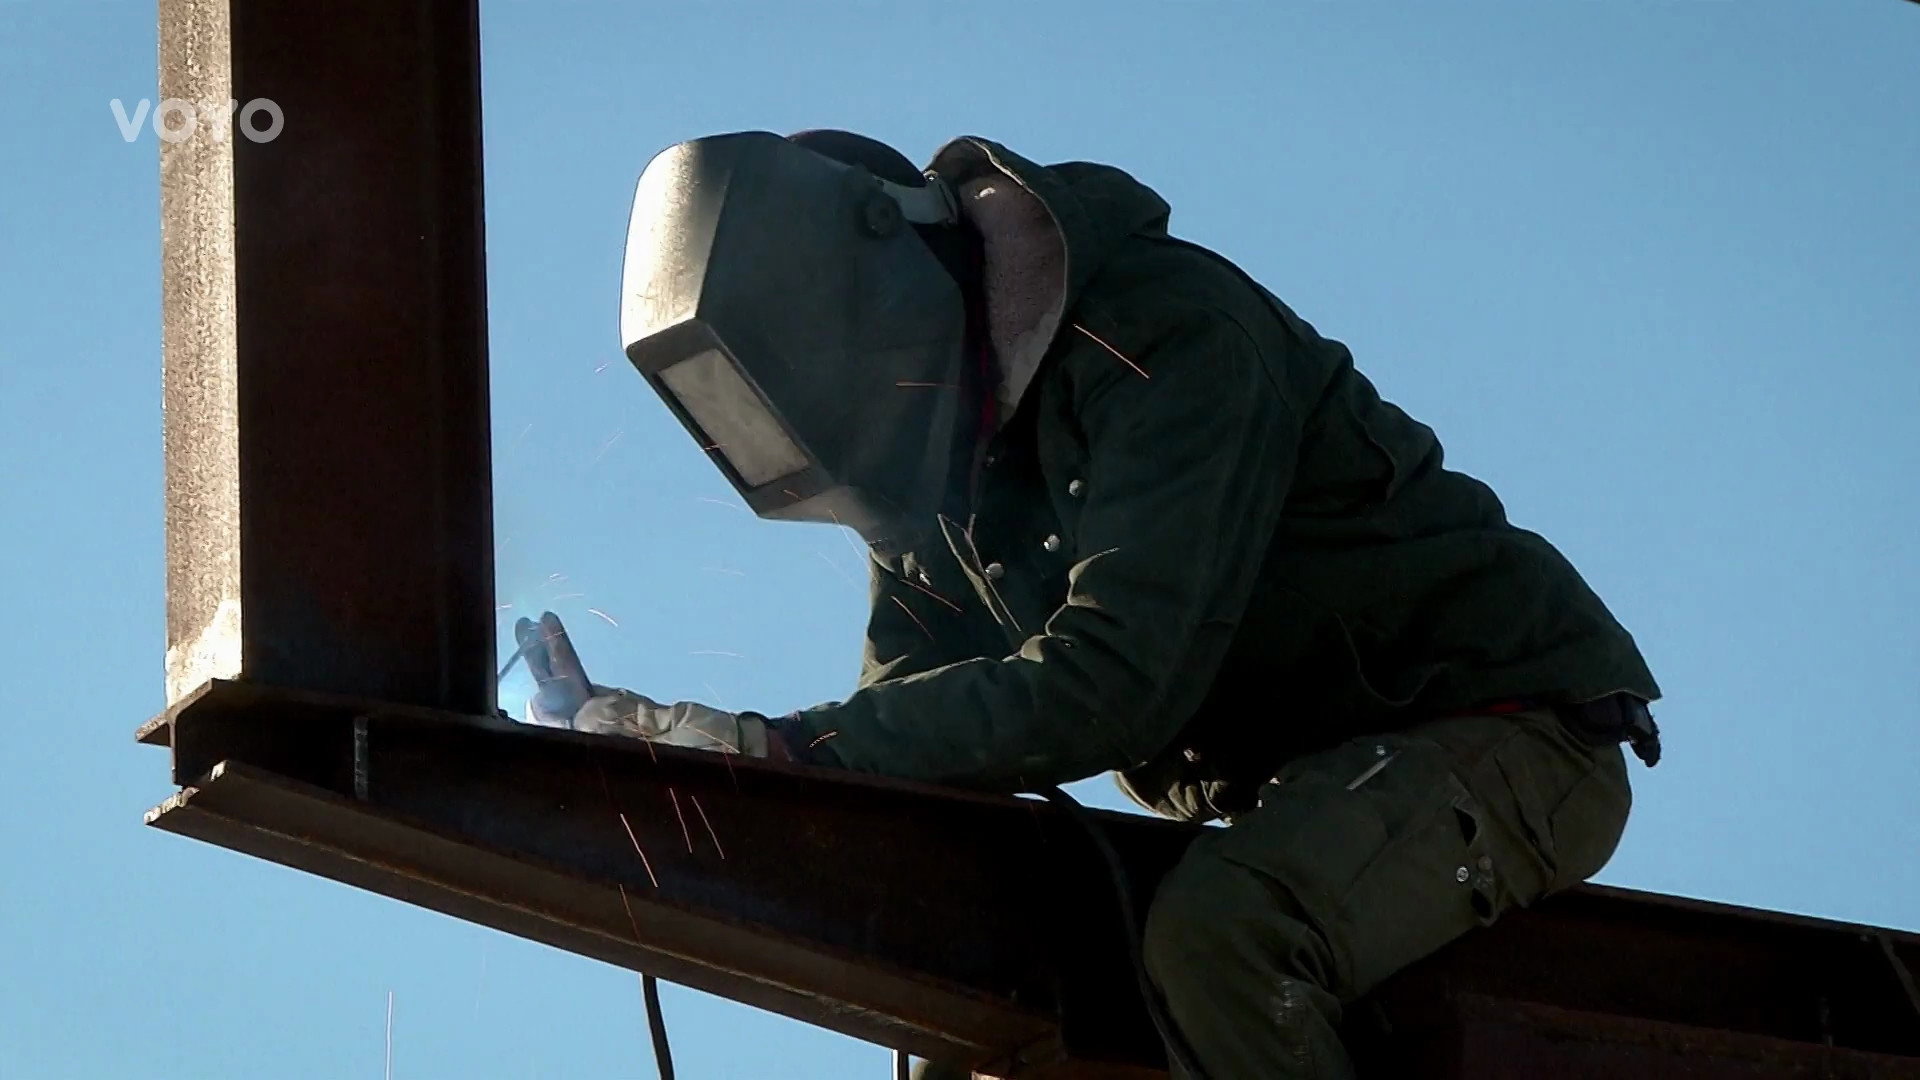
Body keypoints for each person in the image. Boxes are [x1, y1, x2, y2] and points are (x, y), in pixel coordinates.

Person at [516, 129, 1663, 1080]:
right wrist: (657, 749)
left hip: (1505, 729)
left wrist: (783, 747)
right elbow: (904, 754)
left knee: (1229, 940)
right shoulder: (928, 461)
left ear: (884, 272)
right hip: (1301, 788)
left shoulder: (1163, 336)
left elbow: (1112, 682)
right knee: (963, 991)